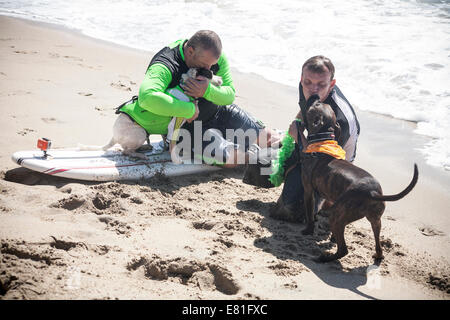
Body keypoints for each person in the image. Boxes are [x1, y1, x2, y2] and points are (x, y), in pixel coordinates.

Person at [118, 30, 278, 167]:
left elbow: (229, 94)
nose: (209, 70)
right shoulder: (166, 63)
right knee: (233, 159)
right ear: (190, 51)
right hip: (187, 129)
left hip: (219, 112)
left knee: (268, 138)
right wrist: (188, 110)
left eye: (212, 65)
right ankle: (251, 154)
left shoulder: (214, 58)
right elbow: (147, 97)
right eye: (204, 65)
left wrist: (206, 91)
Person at [270, 55, 360, 222]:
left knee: (293, 211)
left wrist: (298, 138)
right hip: (311, 145)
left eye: (321, 84)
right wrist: (297, 125)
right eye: (308, 82)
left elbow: (324, 163)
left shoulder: (339, 119)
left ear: (332, 84)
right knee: (262, 165)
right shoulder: (307, 88)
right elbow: (303, 108)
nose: (313, 89)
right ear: (301, 79)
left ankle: (329, 200)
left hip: (333, 167)